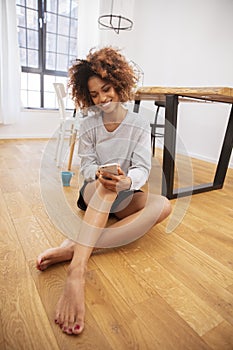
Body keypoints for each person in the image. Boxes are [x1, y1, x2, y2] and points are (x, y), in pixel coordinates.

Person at [37, 47, 171, 335]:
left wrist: (128, 182)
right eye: (94, 94)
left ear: (119, 84)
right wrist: (97, 174)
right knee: (104, 187)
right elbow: (85, 166)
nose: (101, 98)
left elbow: (142, 168)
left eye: (106, 89)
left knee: (164, 206)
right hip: (94, 193)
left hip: (123, 192)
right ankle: (77, 271)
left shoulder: (138, 124)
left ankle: (76, 246)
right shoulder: (89, 124)